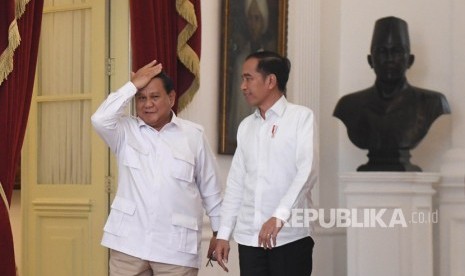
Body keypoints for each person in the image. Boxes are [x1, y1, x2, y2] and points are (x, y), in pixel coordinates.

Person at [91, 60, 222, 276]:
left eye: (154, 97)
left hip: (175, 249)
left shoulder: (193, 136)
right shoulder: (125, 131)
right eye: (141, 98)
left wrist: (220, 232)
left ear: (171, 98)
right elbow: (99, 119)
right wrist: (132, 85)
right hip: (128, 246)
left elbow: (212, 191)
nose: (147, 104)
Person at [215, 51, 318, 276]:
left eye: (248, 78)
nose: (243, 86)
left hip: (289, 238)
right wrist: (223, 233)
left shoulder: (301, 118)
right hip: (249, 240)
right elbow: (236, 182)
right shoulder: (245, 126)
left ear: (270, 81)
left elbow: (307, 171)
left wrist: (278, 216)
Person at [333, 16, 450, 171]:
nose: (389, 59)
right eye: (382, 51)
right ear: (370, 60)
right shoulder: (349, 105)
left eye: (397, 51)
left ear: (410, 60)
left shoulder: (432, 102)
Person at [227, 0, 277, 148]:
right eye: (250, 18)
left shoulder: (271, 59)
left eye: (257, 18)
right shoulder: (241, 58)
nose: (253, 23)